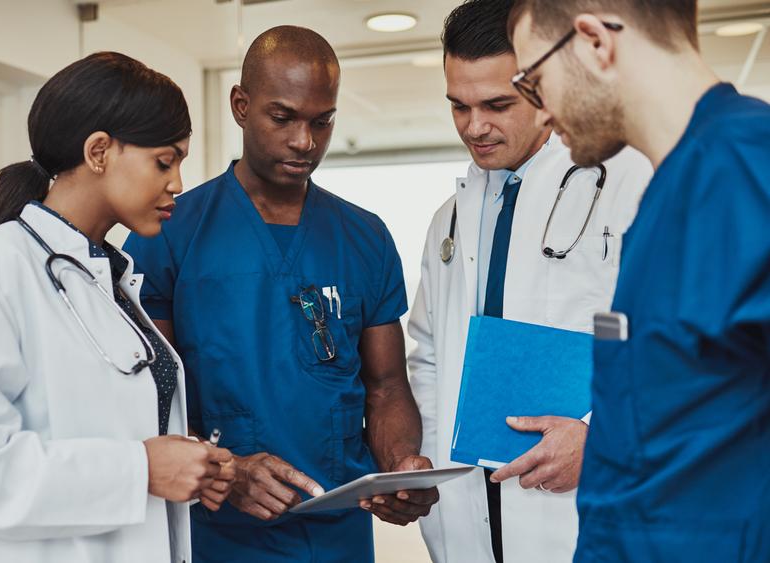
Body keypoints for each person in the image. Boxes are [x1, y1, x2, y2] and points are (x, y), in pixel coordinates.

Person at [0, 52, 235, 563]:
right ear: (99, 151)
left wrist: (187, 466)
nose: (177, 184)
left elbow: (107, 428)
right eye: (164, 162)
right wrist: (141, 470)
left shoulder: (108, 280)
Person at [123, 25, 437, 563]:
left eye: (322, 121)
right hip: (216, 532)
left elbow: (385, 386)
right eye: (283, 117)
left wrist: (401, 465)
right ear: (241, 106)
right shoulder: (170, 233)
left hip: (338, 533)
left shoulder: (364, 236)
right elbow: (145, 401)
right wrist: (227, 469)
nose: (304, 142)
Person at [507, 1, 770, 560]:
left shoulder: (747, 166)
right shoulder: (665, 194)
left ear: (595, 42)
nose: (541, 113)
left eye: (534, 82)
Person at [407, 1, 653, 562]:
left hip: (585, 508)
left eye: (497, 104)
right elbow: (428, 357)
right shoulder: (450, 217)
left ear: (546, 87)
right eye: (458, 105)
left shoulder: (629, 183)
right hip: (470, 515)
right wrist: (424, 466)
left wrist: (601, 436)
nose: (475, 126)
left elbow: (685, 347)